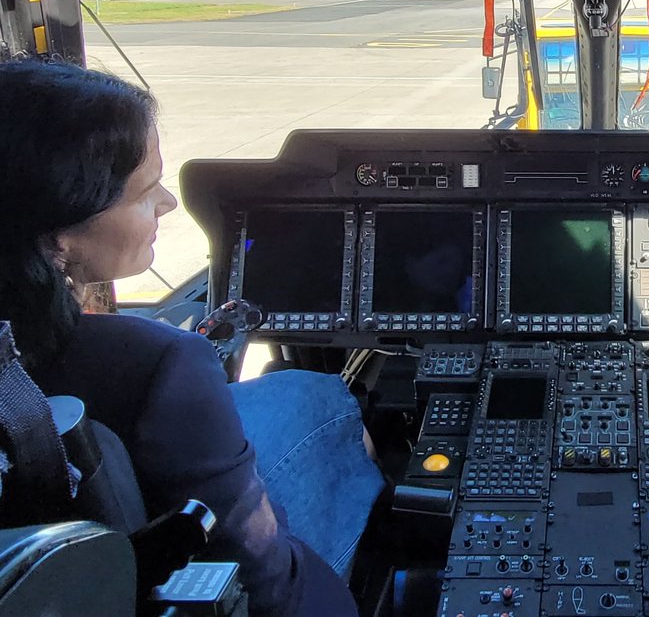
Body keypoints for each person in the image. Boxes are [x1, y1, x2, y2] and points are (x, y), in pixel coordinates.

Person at [0, 59, 385, 617]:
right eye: (144, 191)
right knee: (323, 397)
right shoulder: (158, 365)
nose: (169, 203)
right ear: (59, 233)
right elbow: (262, 581)